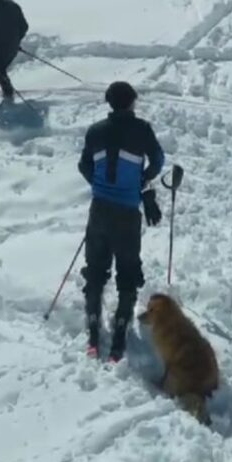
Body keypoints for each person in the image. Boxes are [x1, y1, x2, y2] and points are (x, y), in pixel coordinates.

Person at [78, 82, 165, 361]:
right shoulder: (142, 130)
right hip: (127, 213)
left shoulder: (95, 131)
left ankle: (93, 334)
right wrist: (142, 180)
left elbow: (84, 165)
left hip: (99, 210)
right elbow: (158, 159)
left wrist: (100, 185)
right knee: (127, 275)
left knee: (95, 270)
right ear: (131, 103)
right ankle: (118, 340)